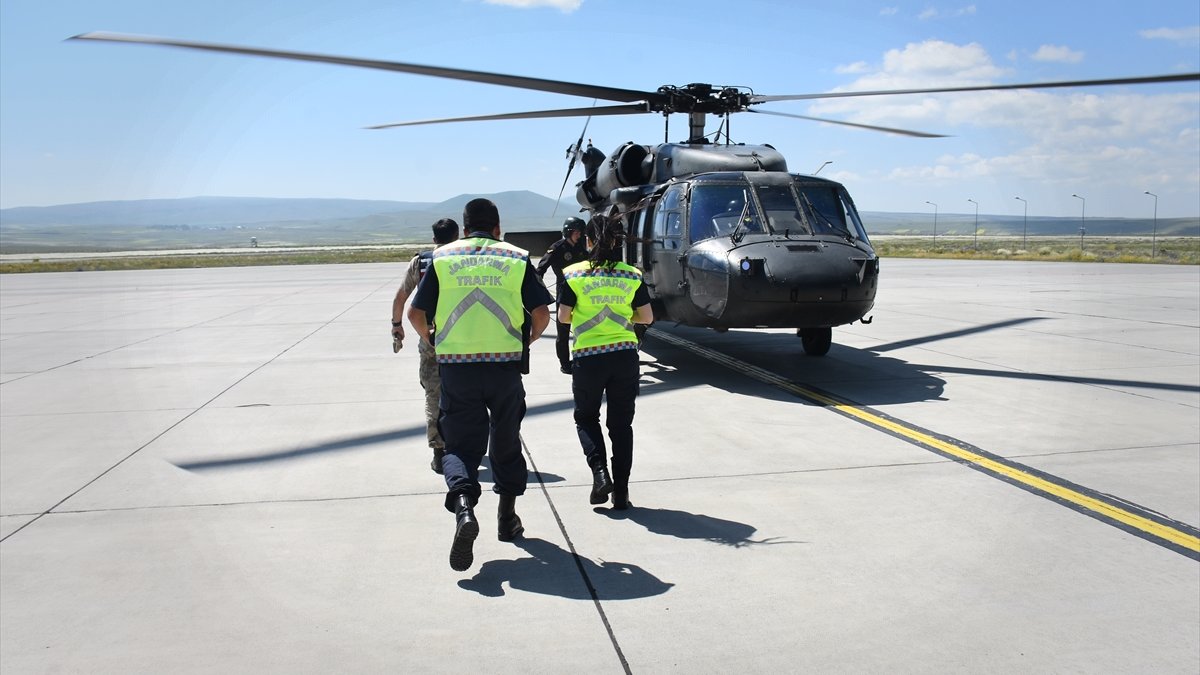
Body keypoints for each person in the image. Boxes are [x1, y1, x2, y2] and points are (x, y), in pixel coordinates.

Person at [407, 198, 553, 572]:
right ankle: (507, 520)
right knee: (506, 442)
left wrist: (438, 344)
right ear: (497, 226)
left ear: (464, 225)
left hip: (457, 369)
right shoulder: (516, 258)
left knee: (460, 446)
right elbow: (541, 315)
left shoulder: (443, 258)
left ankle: (464, 509)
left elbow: (415, 313)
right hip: (504, 369)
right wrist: (524, 342)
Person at [558, 215, 654, 510]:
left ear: (588, 241)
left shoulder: (574, 274)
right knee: (621, 426)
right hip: (624, 357)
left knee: (586, 418)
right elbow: (647, 317)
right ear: (616, 242)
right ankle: (622, 493)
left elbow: (562, 316)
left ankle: (600, 474)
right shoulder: (631, 275)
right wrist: (624, 318)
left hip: (589, 358)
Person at [391, 218, 460, 474]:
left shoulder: (421, 261)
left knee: (433, 393)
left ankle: (439, 452)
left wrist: (396, 325)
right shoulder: (462, 259)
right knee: (465, 393)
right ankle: (461, 444)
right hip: (461, 337)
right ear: (458, 236)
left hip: (430, 335)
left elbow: (401, 297)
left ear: (434, 240)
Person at [535, 217, 588, 374]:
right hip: (564, 292)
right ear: (569, 232)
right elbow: (541, 269)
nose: (580, 235)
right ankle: (565, 363)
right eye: (577, 232)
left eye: (581, 232)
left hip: (581, 292)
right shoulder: (557, 247)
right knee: (563, 330)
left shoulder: (581, 248)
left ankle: (581, 358)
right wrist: (538, 291)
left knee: (582, 328)